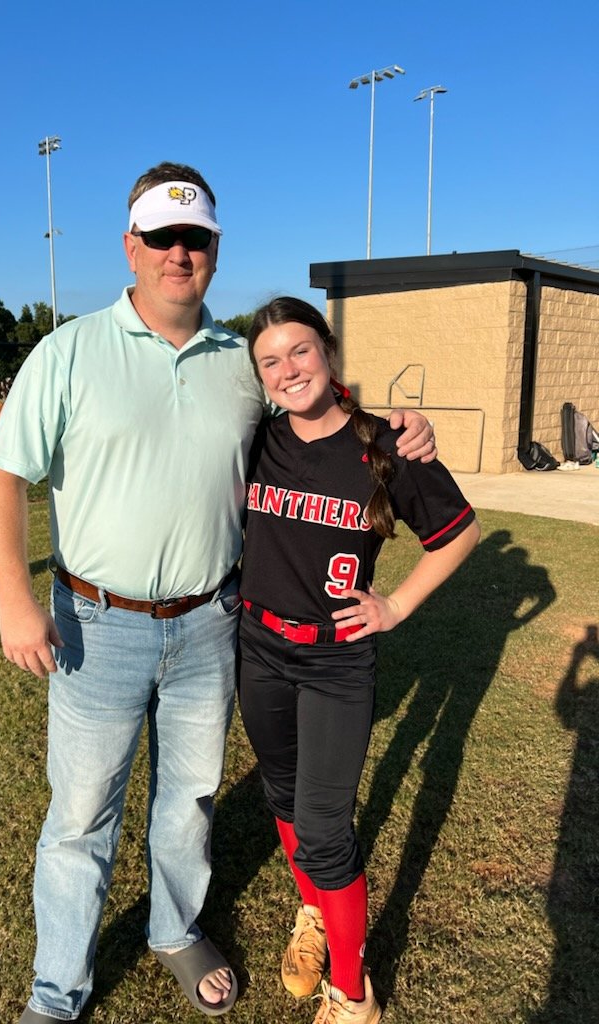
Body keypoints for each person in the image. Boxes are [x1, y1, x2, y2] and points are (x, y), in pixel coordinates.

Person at [0, 163, 436, 1023]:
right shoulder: (70, 350)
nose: (177, 253)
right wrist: (13, 596)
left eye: (195, 238)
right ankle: (57, 989)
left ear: (215, 251)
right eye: (161, 237)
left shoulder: (241, 362)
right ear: (131, 247)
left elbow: (321, 410)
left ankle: (175, 929)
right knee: (81, 818)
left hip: (210, 625)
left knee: (187, 802)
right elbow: (0, 475)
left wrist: (402, 425)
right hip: (94, 626)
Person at [237, 297, 480, 1024]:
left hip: (337, 661)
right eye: (270, 360)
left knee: (324, 826)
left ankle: (353, 994)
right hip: (258, 647)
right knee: (282, 797)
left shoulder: (384, 445)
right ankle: (312, 912)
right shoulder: (257, 439)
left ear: (330, 354)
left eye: (300, 351)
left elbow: (459, 534)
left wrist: (396, 607)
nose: (288, 370)